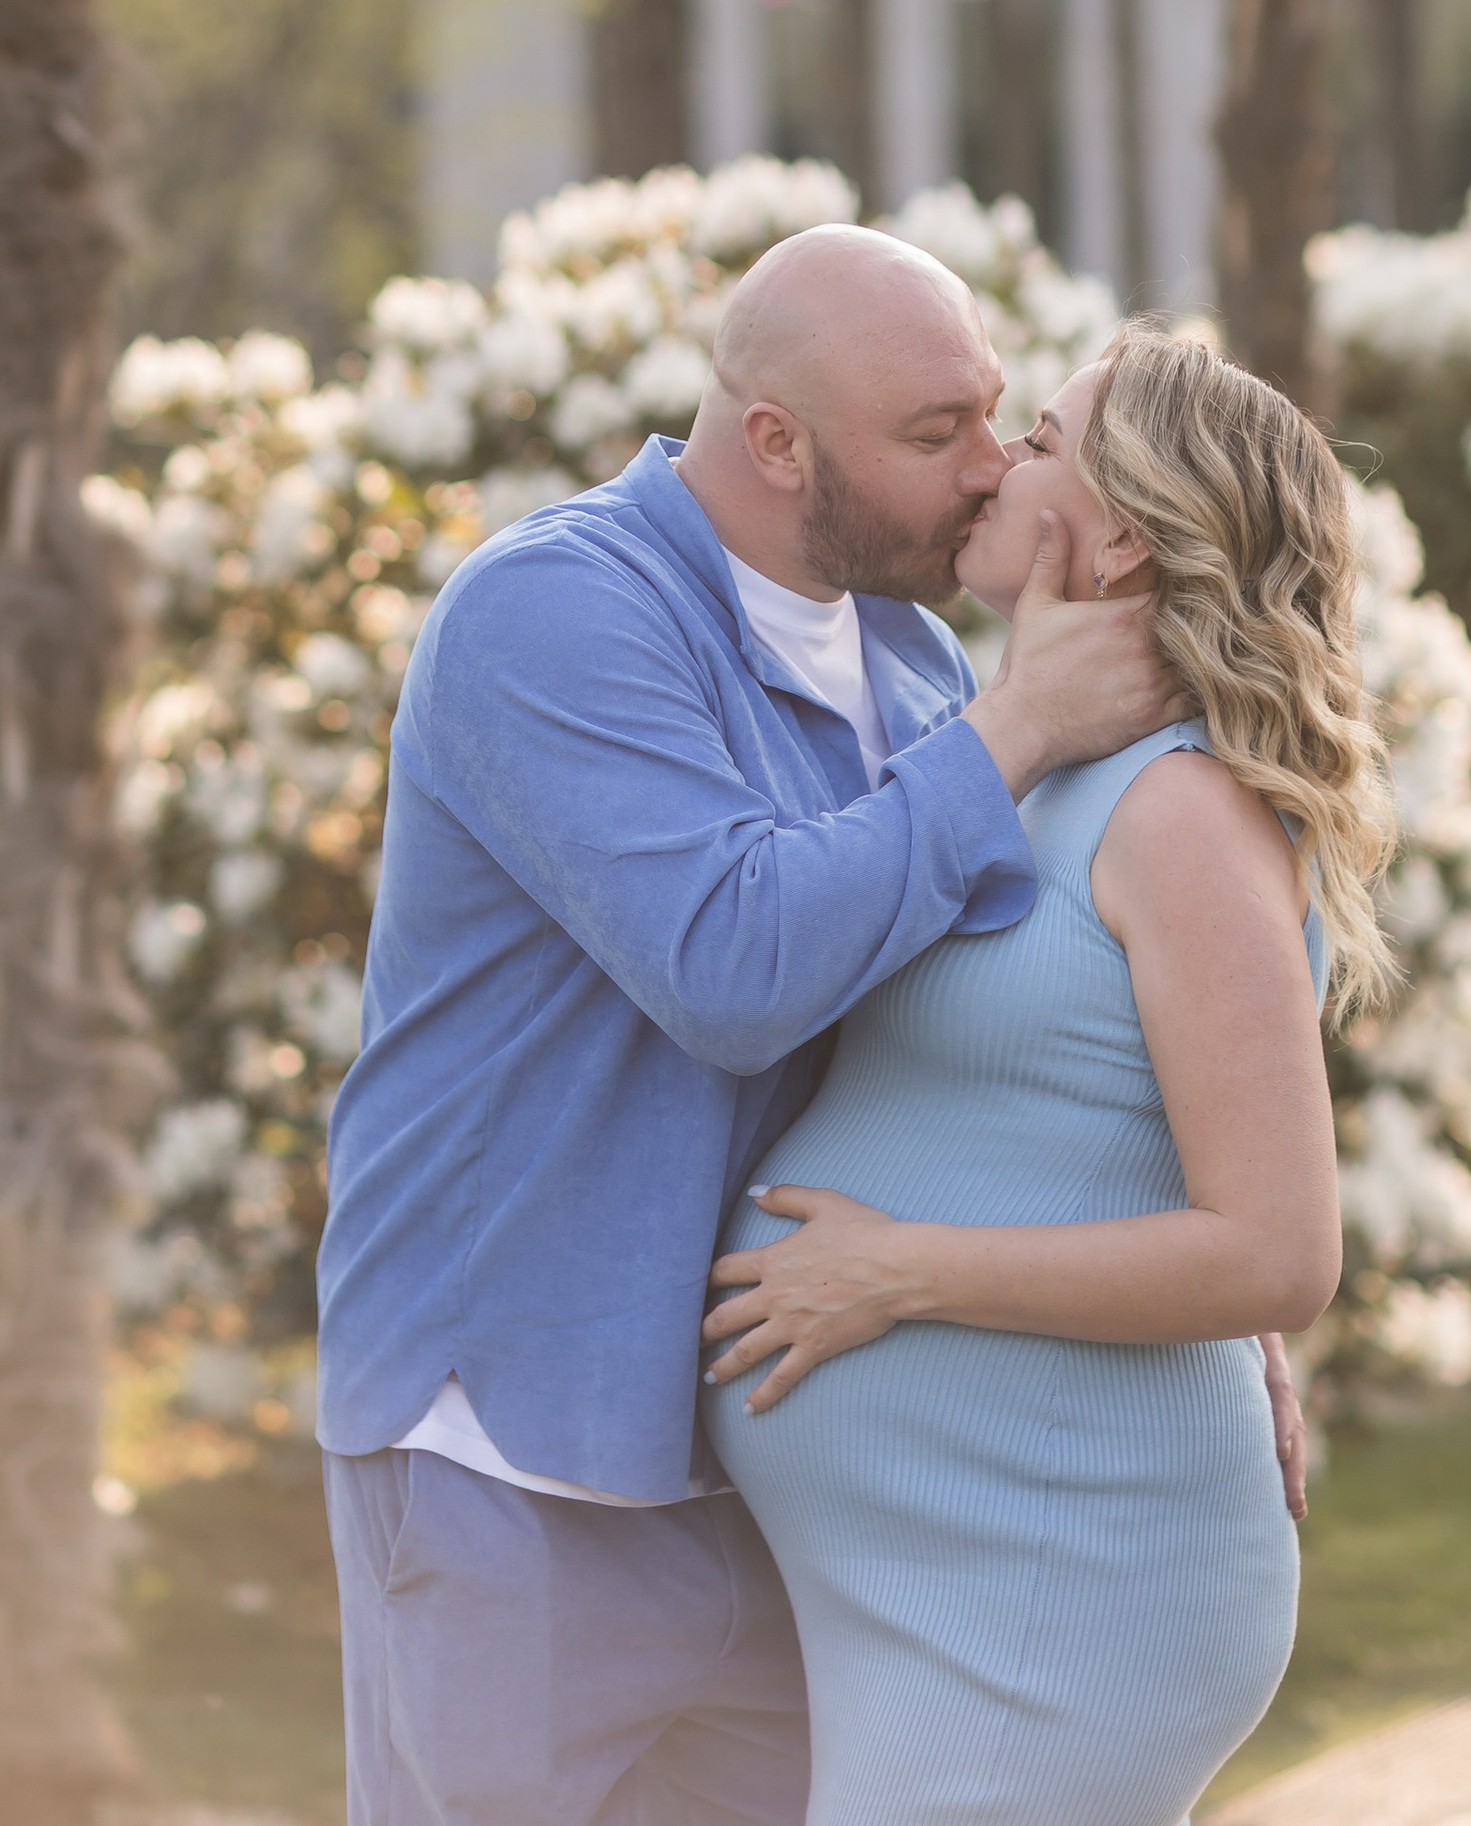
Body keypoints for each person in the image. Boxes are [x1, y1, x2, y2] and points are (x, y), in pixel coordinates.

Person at [313, 221, 1194, 1826]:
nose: (991, 468)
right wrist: (1026, 723)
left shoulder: (913, 656)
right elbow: (734, 965)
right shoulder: (551, 613)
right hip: (513, 1462)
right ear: (776, 441)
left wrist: (1222, 1300)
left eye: (992, 412)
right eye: (935, 436)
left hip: (779, 1471)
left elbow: (998, 1037)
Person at [698, 322, 1393, 1826]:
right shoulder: (1015, 753)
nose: (1001, 458)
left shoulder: (1184, 812)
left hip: (1066, 1569)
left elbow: (1276, 1248)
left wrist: (895, 1275)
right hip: (944, 1561)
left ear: (1124, 533)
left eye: (1046, 439)